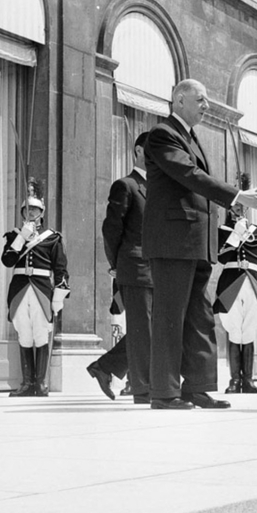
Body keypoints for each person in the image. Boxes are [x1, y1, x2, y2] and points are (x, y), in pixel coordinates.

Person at [142, 79, 257, 410]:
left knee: (199, 317)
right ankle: (164, 393)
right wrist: (237, 195)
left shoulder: (190, 137)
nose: (206, 105)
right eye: (200, 99)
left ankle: (197, 387)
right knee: (170, 318)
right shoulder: (163, 134)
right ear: (179, 100)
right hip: (173, 243)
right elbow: (189, 175)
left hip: (196, 243)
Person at [88, 132, 153, 403]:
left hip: (156, 269)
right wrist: (117, 264)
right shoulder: (125, 185)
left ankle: (105, 367)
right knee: (143, 329)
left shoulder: (157, 188)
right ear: (138, 151)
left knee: (152, 328)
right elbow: (111, 229)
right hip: (134, 266)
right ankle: (143, 389)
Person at [1, 178, 70, 397]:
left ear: (41, 212)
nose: (30, 212)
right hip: (20, 289)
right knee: (24, 334)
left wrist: (58, 297)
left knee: (40, 335)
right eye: (27, 209)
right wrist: (21, 237)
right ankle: (26, 383)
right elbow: (7, 261)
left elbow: (60, 269)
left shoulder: (52, 238)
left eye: (34, 209)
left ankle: (40, 383)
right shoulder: (14, 235)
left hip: (41, 289)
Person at [213, 174, 257, 394]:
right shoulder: (222, 232)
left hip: (254, 284)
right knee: (233, 329)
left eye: (242, 206)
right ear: (229, 208)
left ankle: (248, 380)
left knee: (248, 330)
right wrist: (235, 235)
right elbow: (220, 257)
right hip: (231, 283)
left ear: (247, 208)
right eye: (235, 205)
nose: (238, 209)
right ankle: (234, 380)